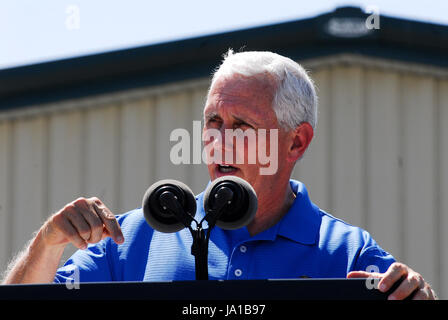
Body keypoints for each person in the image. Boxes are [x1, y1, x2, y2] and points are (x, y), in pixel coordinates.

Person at [2, 50, 436, 300]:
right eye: (213, 122)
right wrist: (48, 243)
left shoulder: (348, 253)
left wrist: (419, 295)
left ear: (296, 143)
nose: (219, 142)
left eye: (242, 126)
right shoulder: (132, 238)